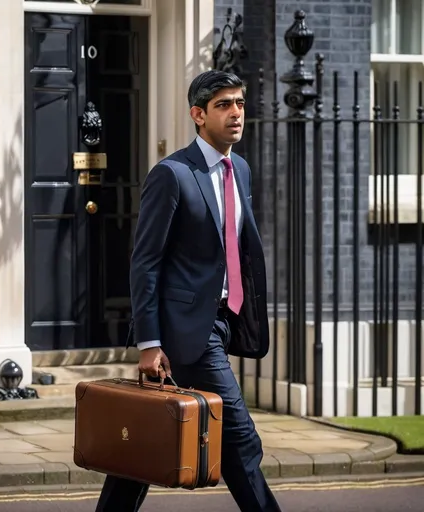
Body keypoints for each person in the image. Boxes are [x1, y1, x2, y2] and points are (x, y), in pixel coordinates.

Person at [95, 69, 281, 512]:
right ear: (198, 115)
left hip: (220, 320)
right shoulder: (173, 173)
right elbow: (145, 261)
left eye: (239, 102)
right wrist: (150, 343)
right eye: (223, 105)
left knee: (141, 445)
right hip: (184, 333)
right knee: (239, 440)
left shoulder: (242, 170)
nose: (236, 113)